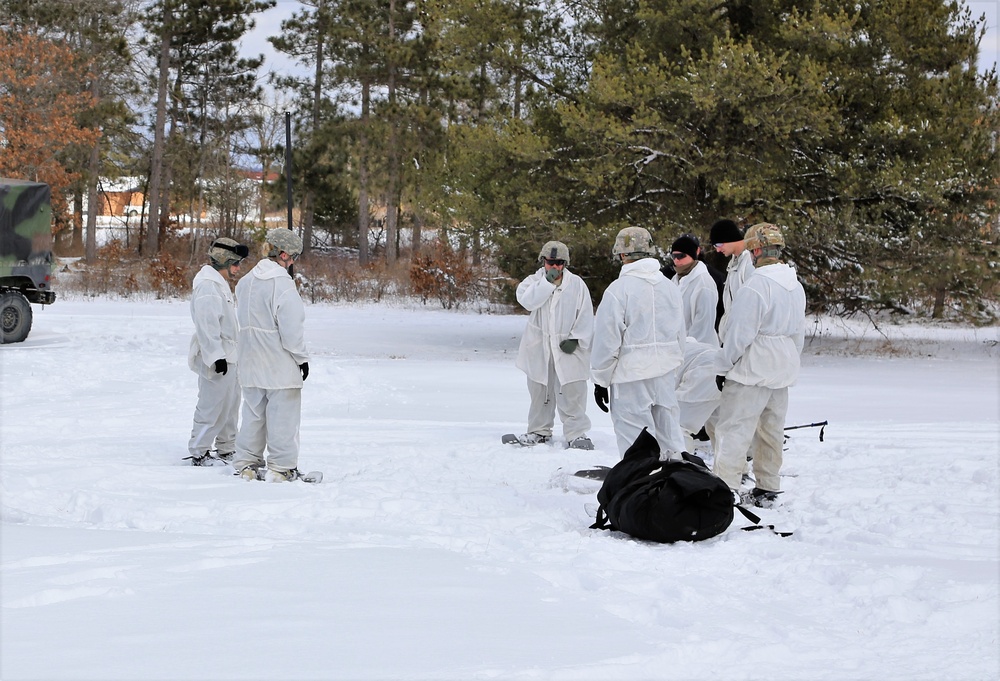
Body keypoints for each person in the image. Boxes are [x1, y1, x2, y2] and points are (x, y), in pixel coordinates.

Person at [712, 223, 806, 507]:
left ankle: (725, 487)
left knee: (734, 429)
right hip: (782, 368)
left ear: (755, 250)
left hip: (752, 368)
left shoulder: (756, 285)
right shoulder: (794, 284)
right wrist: (790, 361)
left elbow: (739, 334)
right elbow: (797, 333)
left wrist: (724, 365)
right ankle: (768, 486)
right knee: (771, 430)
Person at [591, 226, 687, 458]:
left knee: (636, 444)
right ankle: (680, 486)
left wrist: (600, 379)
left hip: (630, 377)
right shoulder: (669, 287)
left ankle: (642, 488)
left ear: (622, 254)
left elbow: (607, 339)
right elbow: (679, 334)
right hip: (664, 374)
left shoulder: (618, 290)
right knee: (671, 438)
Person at [232, 228, 310, 482]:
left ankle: (246, 463)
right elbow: (291, 328)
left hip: (250, 360)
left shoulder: (245, 282)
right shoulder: (282, 285)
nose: (294, 262)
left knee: (253, 415)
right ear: (283, 254)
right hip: (278, 363)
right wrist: (301, 358)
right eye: (294, 256)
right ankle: (281, 466)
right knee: (283, 417)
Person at [512, 241, 595, 449]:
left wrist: (576, 338)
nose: (554, 267)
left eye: (559, 263)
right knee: (541, 389)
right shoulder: (532, 282)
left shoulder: (576, 285)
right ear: (543, 261)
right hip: (539, 347)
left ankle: (577, 433)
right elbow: (528, 302)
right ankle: (539, 431)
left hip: (568, 348)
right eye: (551, 262)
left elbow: (585, 314)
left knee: (572, 390)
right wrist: (546, 284)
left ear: (565, 264)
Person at [185, 237, 249, 466]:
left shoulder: (219, 284)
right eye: (235, 263)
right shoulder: (208, 287)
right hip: (217, 357)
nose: (238, 268)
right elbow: (207, 325)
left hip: (230, 355)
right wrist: (215, 356)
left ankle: (226, 447)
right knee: (211, 405)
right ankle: (199, 451)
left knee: (231, 405)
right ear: (225, 262)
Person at [669, 234, 720, 347]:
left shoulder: (703, 283)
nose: (677, 260)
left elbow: (703, 326)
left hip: (699, 351)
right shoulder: (675, 280)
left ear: (692, 255)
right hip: (677, 349)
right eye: (674, 256)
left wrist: (689, 347)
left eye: (681, 256)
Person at [710, 218, 755, 341]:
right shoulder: (734, 262)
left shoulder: (749, 264)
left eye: (719, 245)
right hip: (733, 338)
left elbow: (750, 308)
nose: (717, 250)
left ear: (730, 238)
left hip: (744, 340)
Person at [676, 336, 722, 455]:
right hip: (725, 371)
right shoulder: (687, 345)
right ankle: (734, 472)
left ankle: (681, 467)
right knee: (721, 430)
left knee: (677, 426)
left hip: (704, 374)